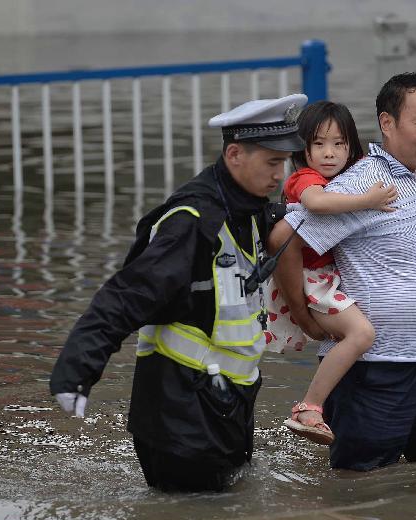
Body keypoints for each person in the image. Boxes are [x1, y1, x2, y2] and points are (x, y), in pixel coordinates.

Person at [50, 94, 308, 492]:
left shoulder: (250, 210)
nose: (280, 174)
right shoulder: (191, 221)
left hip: (226, 407)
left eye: (284, 162)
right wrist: (77, 370)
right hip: (180, 415)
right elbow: (125, 296)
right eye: (272, 162)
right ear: (235, 154)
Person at [268, 73, 416, 471]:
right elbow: (286, 239)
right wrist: (305, 317)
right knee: (359, 485)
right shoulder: (365, 182)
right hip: (374, 369)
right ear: (387, 124)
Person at [264, 101, 398, 445]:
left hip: (325, 277)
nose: (329, 153)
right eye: (319, 144)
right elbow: (317, 203)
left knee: (353, 340)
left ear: (351, 146)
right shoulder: (304, 179)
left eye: (339, 144)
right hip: (312, 279)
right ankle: (308, 407)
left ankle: (334, 412)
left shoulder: (348, 178)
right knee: (361, 335)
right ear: (302, 148)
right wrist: (367, 201)